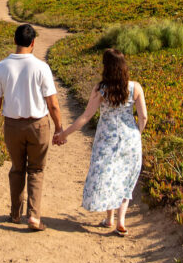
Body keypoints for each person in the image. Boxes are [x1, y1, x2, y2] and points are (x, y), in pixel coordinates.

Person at [55, 48, 147, 236]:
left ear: (106, 67)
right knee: (125, 178)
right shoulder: (135, 87)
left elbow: (86, 117)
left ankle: (110, 218)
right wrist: (137, 134)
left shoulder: (101, 89)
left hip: (106, 139)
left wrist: (64, 134)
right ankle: (121, 222)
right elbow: (143, 116)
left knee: (109, 176)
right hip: (130, 139)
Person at [0, 23, 65, 231]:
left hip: (12, 126)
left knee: (17, 169)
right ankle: (34, 216)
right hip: (38, 126)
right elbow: (53, 104)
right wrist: (59, 128)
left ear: (15, 40)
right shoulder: (41, 67)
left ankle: (15, 213)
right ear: (33, 43)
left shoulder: (1, 67)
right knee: (36, 169)